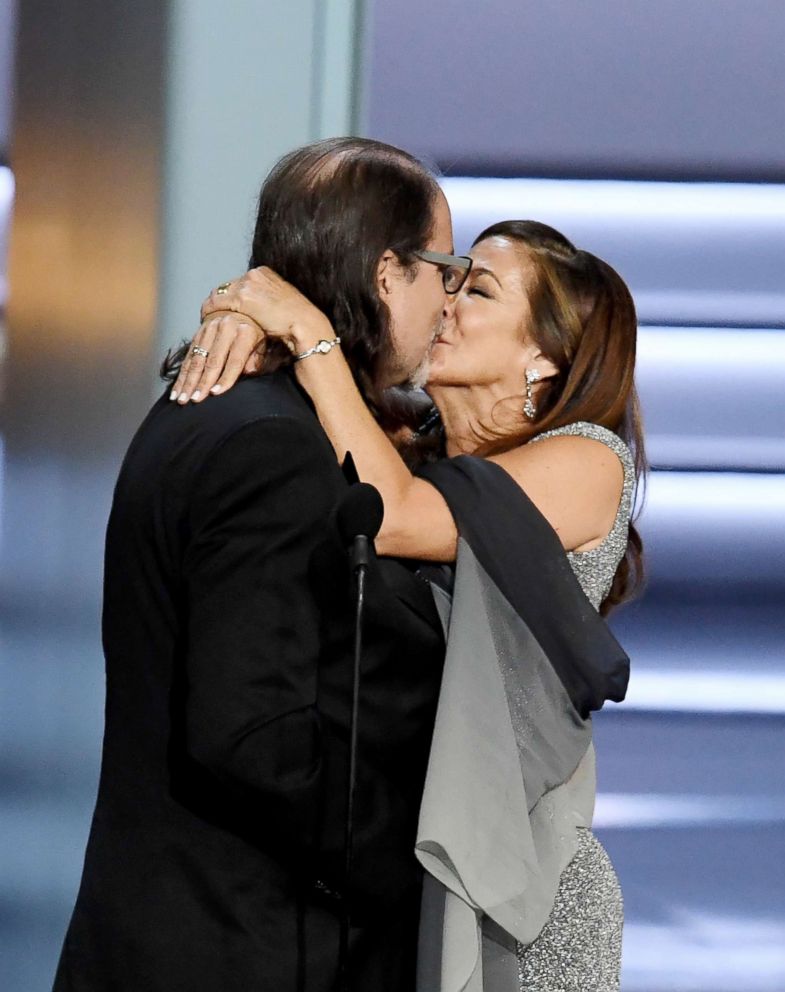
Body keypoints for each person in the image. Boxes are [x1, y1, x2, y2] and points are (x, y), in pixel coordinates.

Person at [176, 218, 644, 992]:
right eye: (449, 281)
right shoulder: (403, 445)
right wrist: (243, 319)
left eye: (478, 289)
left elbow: (395, 519)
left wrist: (306, 330)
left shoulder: (591, 459)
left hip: (525, 901)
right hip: (406, 872)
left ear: (546, 355)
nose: (446, 303)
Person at [52, 137, 469, 992]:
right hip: (240, 943)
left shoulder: (217, 406)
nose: (448, 302)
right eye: (443, 270)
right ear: (387, 273)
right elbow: (251, 737)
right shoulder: (273, 447)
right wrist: (412, 856)